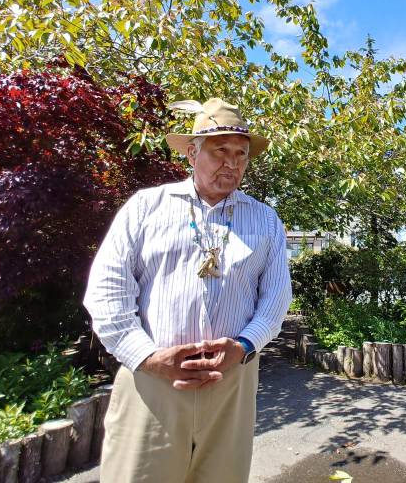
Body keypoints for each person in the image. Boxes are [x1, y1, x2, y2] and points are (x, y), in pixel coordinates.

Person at [84, 98, 293, 483]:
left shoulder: (265, 218)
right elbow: (106, 292)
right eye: (220, 151)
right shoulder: (146, 207)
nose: (232, 163)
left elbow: (276, 299)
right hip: (152, 381)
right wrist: (147, 358)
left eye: (241, 154)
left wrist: (244, 346)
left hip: (233, 381)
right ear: (193, 153)